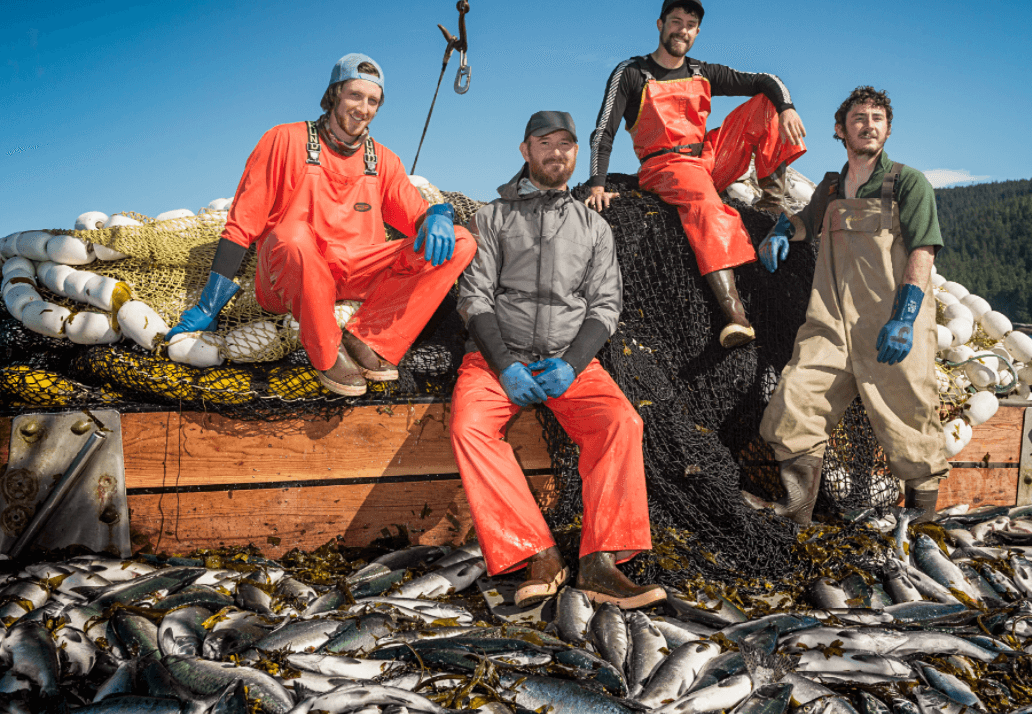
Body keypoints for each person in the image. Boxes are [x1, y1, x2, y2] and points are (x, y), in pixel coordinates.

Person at [450, 111, 666, 610]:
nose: (556, 152)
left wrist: (571, 362)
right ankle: (538, 553)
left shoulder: (594, 227)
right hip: (496, 361)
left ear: (575, 155)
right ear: (525, 151)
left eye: (566, 144)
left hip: (568, 363)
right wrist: (505, 365)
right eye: (545, 143)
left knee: (620, 422)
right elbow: (475, 298)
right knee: (469, 427)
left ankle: (599, 564)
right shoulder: (492, 216)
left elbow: (604, 306)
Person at [167, 53, 475, 395]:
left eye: (373, 101)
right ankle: (327, 354)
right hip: (289, 274)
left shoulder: (383, 160)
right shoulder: (284, 140)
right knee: (294, 232)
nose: (363, 108)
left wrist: (438, 216)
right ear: (334, 94)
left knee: (461, 242)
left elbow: (418, 218)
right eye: (355, 95)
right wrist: (210, 304)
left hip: (356, 272)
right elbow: (243, 223)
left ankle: (368, 340)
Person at [757, 86, 946, 524]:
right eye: (859, 118)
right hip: (830, 322)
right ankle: (797, 510)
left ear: (888, 129)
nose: (869, 125)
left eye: (878, 118)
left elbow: (924, 251)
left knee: (910, 414)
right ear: (841, 131)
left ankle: (923, 517)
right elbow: (806, 222)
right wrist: (782, 231)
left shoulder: (907, 182)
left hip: (891, 322)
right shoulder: (831, 184)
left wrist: (904, 318)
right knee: (795, 401)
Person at [586, 0, 808, 348]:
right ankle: (735, 315)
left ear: (697, 33)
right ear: (660, 25)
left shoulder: (703, 72)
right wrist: (597, 183)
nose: (683, 30)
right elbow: (603, 131)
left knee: (765, 103)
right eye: (676, 22)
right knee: (705, 202)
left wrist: (786, 106)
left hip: (705, 158)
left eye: (691, 25)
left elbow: (766, 79)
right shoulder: (631, 73)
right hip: (664, 164)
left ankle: (771, 199)